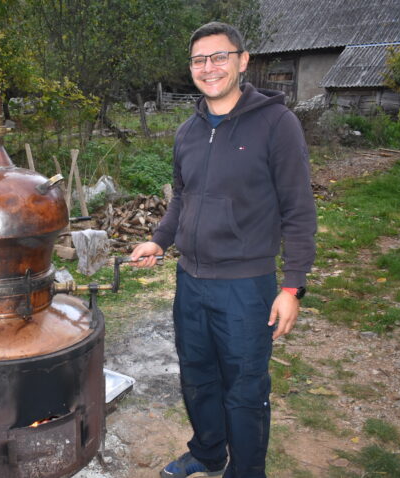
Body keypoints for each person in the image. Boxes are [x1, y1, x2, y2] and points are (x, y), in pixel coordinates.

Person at [130, 21, 317, 478]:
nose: (208, 67)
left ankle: (246, 470)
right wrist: (158, 239)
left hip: (246, 287)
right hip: (190, 282)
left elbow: (298, 209)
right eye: (199, 60)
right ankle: (208, 453)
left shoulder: (277, 123)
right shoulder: (187, 132)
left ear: (242, 61)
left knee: (245, 389)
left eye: (219, 57)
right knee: (197, 378)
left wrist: (292, 287)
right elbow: (182, 198)